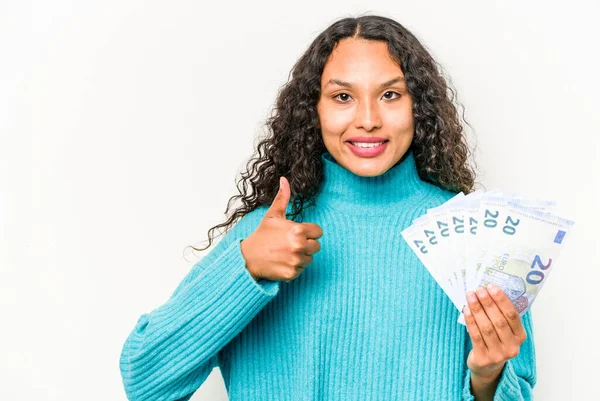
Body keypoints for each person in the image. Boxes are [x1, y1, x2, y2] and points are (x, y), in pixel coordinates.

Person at [119, 14, 536, 401]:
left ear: (418, 106)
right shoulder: (267, 235)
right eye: (342, 96)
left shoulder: (475, 237)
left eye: (390, 94)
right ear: (313, 110)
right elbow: (145, 382)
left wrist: (488, 376)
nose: (368, 119)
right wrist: (244, 268)